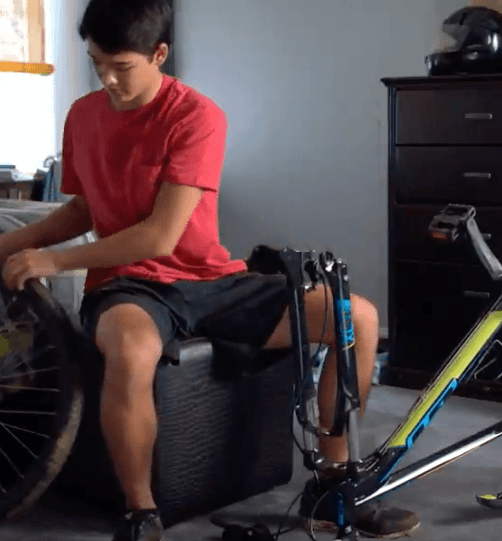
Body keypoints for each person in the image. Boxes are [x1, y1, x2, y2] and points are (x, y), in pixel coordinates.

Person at [0, 1, 419, 540]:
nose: (107, 79)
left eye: (121, 67)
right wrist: (13, 244)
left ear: (159, 54)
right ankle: (141, 512)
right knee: (130, 349)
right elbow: (83, 208)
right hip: (129, 286)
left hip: (211, 279)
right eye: (96, 63)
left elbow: (160, 236)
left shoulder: (196, 116)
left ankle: (333, 486)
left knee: (355, 319)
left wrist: (56, 260)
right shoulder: (83, 115)